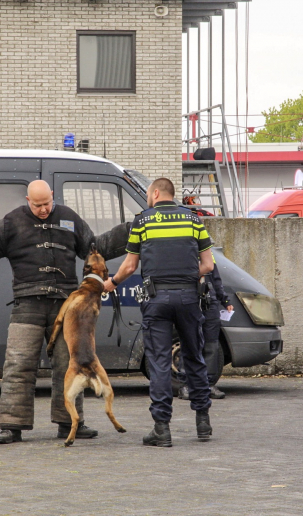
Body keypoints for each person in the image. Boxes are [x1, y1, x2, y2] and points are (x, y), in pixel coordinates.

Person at [0, 180, 131, 444]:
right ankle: (12, 426)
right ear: (27, 200)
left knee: (68, 364)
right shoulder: (12, 222)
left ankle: (70, 423)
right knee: (18, 365)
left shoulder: (68, 217)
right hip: (27, 303)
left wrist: (131, 229)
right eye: (37, 205)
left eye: (47, 204)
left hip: (64, 305)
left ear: (52, 196)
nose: (43, 209)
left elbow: (95, 246)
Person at [104, 177, 215, 447]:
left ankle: (162, 429)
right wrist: (185, 277)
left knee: (160, 362)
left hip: (156, 299)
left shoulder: (142, 221)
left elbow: (130, 267)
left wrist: (110, 283)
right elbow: (208, 265)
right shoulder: (193, 220)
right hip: (189, 297)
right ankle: (203, 422)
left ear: (155, 193)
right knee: (194, 356)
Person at [178, 257, 233, 401]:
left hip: (210, 303)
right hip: (189, 300)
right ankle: (186, 385)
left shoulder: (207, 253)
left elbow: (216, 279)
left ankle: (209, 385)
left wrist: (225, 300)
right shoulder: (181, 250)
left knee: (211, 345)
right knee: (189, 343)